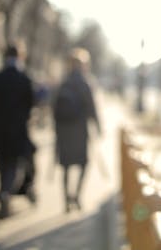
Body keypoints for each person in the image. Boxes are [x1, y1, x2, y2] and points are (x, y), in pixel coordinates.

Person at [0, 44, 36, 219]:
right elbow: (31, 105)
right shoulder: (24, 79)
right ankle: (6, 193)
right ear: (19, 57)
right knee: (14, 164)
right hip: (18, 130)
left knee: (2, 163)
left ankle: (3, 191)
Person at [52, 48, 101, 213]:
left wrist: (56, 129)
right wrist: (98, 126)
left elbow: (54, 107)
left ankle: (66, 199)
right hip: (80, 130)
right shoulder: (85, 82)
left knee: (65, 165)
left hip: (64, 131)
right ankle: (77, 196)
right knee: (83, 163)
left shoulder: (63, 82)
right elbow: (92, 107)